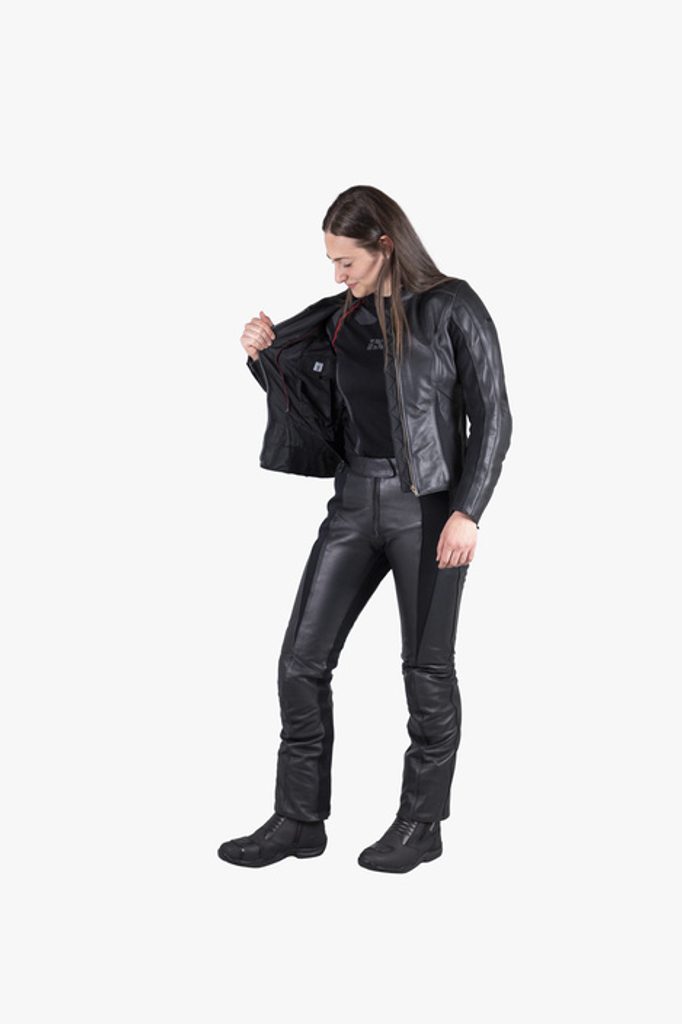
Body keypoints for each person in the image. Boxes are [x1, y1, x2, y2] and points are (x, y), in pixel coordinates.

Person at [217, 185, 513, 873]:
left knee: (426, 671)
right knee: (300, 662)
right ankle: (298, 820)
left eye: (345, 261)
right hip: (353, 501)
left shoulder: (451, 306)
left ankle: (420, 825)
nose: (336, 275)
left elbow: (495, 415)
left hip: (429, 509)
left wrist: (468, 510)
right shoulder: (342, 315)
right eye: (330, 261)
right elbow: (310, 394)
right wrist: (261, 354)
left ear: (385, 244)